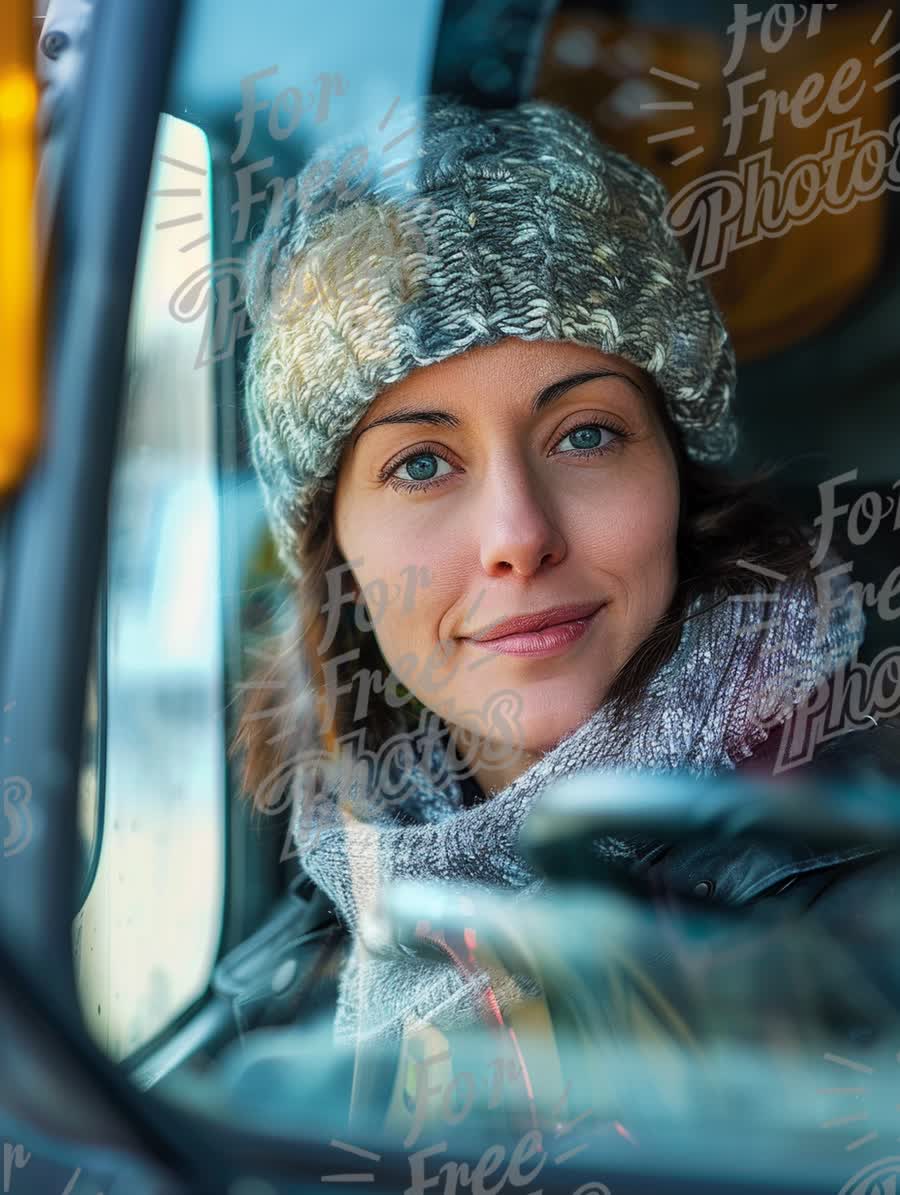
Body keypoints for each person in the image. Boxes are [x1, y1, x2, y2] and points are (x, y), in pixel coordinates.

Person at [232, 96, 900, 1115]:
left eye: (584, 434)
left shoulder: (853, 892)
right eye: (420, 462)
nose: (517, 534)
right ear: (339, 551)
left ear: (676, 473)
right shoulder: (311, 936)